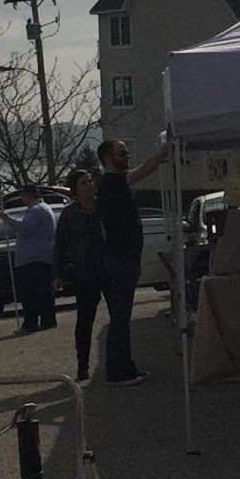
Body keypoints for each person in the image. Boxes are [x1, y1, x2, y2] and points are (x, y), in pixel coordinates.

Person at [91, 135, 167, 385]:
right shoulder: (113, 182)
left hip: (124, 258)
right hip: (121, 259)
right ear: (107, 159)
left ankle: (126, 366)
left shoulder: (112, 184)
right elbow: (145, 169)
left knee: (122, 317)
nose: (127, 157)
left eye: (126, 153)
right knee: (120, 318)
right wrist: (165, 149)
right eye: (121, 154)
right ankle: (117, 371)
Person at [54, 169, 108, 382]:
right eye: (84, 183)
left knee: (119, 317)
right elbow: (60, 245)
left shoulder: (103, 208)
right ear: (75, 189)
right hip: (84, 272)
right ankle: (82, 364)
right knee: (85, 320)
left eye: (90, 182)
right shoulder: (70, 214)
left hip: (107, 268)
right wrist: (57, 274)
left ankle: (116, 362)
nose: (89, 186)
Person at [12, 191, 59, 333]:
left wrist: (8, 219)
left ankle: (30, 323)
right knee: (43, 290)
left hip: (33, 258)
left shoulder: (36, 210)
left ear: (30, 196)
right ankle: (48, 319)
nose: (22, 199)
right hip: (41, 256)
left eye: (24, 196)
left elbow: (24, 229)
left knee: (30, 292)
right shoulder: (43, 208)